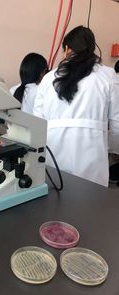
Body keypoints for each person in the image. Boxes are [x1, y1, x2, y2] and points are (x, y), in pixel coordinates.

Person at [33, 25, 119, 187]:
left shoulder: (48, 78)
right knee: (89, 204)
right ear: (92, 49)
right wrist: (112, 149)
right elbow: (117, 123)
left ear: (67, 49)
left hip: (53, 154)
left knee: (54, 203)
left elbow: (38, 122)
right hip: (92, 155)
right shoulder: (108, 76)